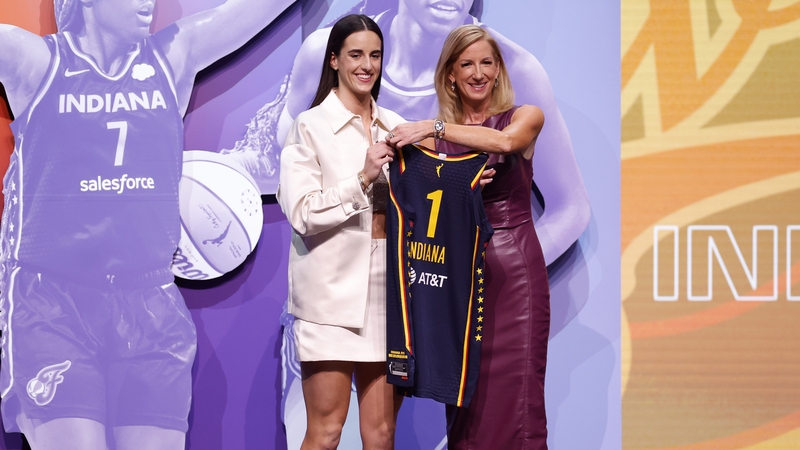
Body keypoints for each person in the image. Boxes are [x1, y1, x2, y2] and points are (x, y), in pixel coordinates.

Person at [0, 0, 295, 448]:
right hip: (54, 304)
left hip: (150, 304)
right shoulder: (37, 60)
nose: (147, 3)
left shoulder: (173, 55)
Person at [232, 0, 589, 266]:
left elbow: (571, 209)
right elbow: (279, 168)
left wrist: (485, 278)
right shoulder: (326, 53)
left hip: (439, 302)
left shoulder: (515, 69)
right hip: (337, 284)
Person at [386, 24, 550, 449]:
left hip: (513, 278)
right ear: (451, 75)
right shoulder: (435, 142)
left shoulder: (523, 116)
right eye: (467, 64)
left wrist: (433, 129)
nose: (478, 73)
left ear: (498, 71)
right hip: (457, 277)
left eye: (486, 63)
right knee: (464, 400)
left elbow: (506, 142)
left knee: (516, 400)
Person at [276, 14, 405, 450]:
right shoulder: (309, 127)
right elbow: (302, 212)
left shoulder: (397, 126)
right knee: (327, 431)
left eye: (375, 55)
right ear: (334, 60)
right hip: (330, 296)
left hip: (390, 292)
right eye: (355, 55)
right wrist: (363, 179)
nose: (366, 65)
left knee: (382, 432)